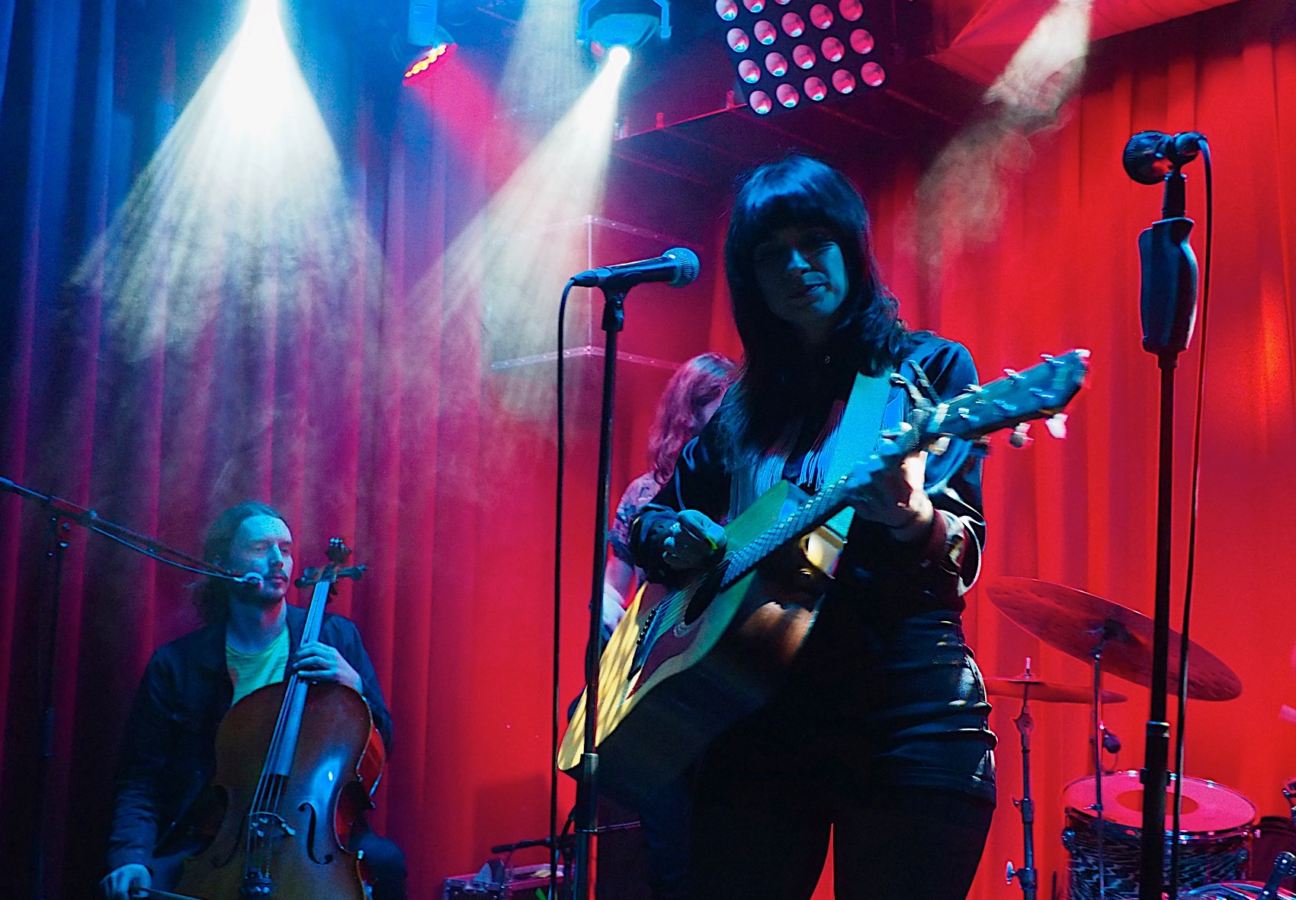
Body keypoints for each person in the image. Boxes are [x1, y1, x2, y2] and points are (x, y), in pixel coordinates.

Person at [629, 155, 996, 899]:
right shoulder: (740, 409)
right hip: (755, 721)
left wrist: (910, 515)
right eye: (772, 254)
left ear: (850, 248)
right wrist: (667, 538)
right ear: (751, 280)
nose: (797, 266)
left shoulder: (921, 375)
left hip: (903, 709)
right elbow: (649, 514)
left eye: (815, 241)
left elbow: (960, 548)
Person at [100, 501, 407, 900]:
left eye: (286, 548)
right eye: (261, 548)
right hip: (213, 840)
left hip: (313, 836)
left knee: (388, 864)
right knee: (144, 887)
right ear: (223, 562)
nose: (278, 560)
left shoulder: (335, 637)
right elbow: (141, 778)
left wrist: (355, 687)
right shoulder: (177, 664)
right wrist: (130, 855)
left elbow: (384, 739)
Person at [602, 352, 737, 638]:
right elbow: (616, 582)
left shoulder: (740, 481)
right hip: (653, 641)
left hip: (713, 634)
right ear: (690, 411)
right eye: (724, 404)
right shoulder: (643, 492)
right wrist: (605, 600)